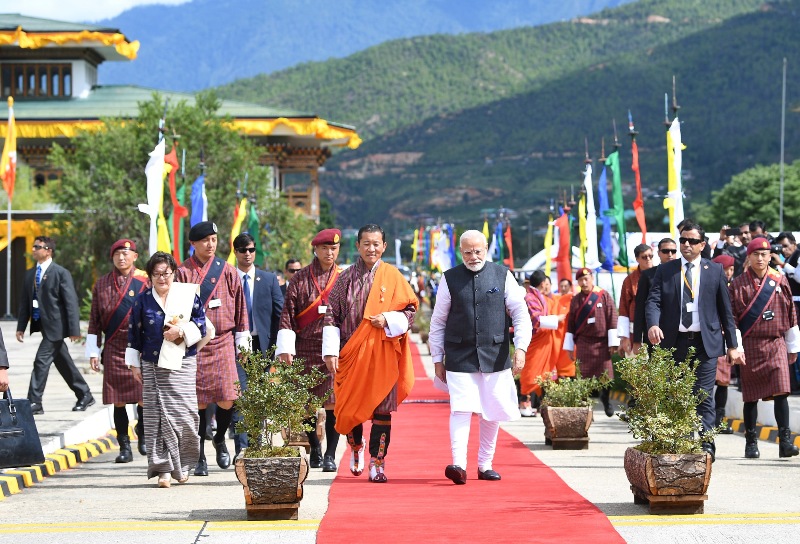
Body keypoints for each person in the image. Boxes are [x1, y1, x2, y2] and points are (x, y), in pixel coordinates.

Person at [428, 230, 531, 485]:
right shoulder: (449, 279)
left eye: (478, 251)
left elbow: (520, 314)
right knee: (461, 409)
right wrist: (437, 359)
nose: (473, 256)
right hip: (459, 355)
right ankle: (458, 464)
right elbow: (438, 322)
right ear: (460, 252)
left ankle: (485, 465)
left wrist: (520, 348)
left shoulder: (503, 275)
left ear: (486, 249)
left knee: (491, 411)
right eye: (467, 252)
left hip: (495, 354)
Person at [322, 224, 418, 483]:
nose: (371, 248)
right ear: (358, 246)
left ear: (384, 247)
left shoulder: (393, 276)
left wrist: (388, 319)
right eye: (366, 243)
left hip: (383, 353)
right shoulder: (345, 278)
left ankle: (378, 462)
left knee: (382, 411)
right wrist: (330, 352)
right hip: (351, 354)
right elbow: (332, 314)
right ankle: (356, 447)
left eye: (376, 244)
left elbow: (410, 310)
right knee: (350, 409)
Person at [646, 221, 744, 462]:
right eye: (682, 240)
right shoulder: (666, 270)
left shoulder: (715, 271)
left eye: (691, 241)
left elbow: (725, 311)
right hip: (674, 342)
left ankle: (706, 443)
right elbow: (653, 301)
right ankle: (679, 438)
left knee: (703, 396)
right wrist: (653, 324)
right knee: (675, 394)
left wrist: (733, 345)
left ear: (702, 244)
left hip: (704, 344)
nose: (686, 244)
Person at [175, 221, 250, 476]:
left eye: (214, 239)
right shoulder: (182, 273)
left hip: (224, 343)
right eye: (205, 240)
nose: (210, 244)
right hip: (194, 344)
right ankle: (199, 455)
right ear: (193, 244)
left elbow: (241, 307)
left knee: (228, 398)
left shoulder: (227, 271)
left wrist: (243, 339)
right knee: (197, 404)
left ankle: (219, 439)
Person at [126, 252, 207, 487]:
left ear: (174, 273)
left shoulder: (186, 296)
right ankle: (162, 469)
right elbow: (134, 333)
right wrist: (134, 364)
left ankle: (182, 466)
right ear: (150, 276)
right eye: (157, 274)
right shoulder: (142, 301)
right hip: (152, 364)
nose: (162, 278)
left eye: (167, 273)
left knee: (186, 416)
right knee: (156, 417)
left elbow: (201, 323)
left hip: (182, 362)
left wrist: (181, 332)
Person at [277, 229, 343, 471]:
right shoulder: (300, 278)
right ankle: (314, 446)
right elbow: (287, 313)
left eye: (334, 248)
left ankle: (330, 454)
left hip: (333, 351)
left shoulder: (343, 278)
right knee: (305, 405)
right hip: (304, 347)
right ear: (315, 250)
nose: (329, 252)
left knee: (333, 404)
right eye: (325, 248)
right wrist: (285, 347)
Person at [729, 238, 799, 459]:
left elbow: (791, 315)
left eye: (764, 254)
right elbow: (732, 319)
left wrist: (792, 345)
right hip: (750, 344)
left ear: (770, 256)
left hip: (776, 342)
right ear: (748, 257)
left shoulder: (780, 280)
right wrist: (735, 347)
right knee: (750, 396)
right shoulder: (738, 284)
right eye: (756, 254)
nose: (760, 258)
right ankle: (751, 442)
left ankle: (785, 442)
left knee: (781, 391)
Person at [86, 239, 149, 463]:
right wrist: (93, 352)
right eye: (117, 254)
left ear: (135, 256)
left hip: (138, 346)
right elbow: (94, 320)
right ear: (112, 257)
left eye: (126, 253)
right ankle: (124, 446)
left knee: (143, 397)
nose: (122, 258)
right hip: (113, 346)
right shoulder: (101, 284)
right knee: (118, 400)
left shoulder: (145, 281)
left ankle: (143, 435)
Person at [16, 236, 94, 415]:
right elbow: (24, 303)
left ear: (48, 250)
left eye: (38, 246)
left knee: (40, 361)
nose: (34, 249)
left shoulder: (60, 273)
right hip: (43, 326)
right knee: (63, 362)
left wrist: (74, 329)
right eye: (33, 246)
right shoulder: (30, 274)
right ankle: (84, 394)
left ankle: (34, 402)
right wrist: (21, 327)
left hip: (56, 328)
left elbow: (70, 302)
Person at [232, 232, 283, 457]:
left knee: (259, 395)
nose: (248, 254)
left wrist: (282, 344)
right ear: (235, 252)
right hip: (235, 345)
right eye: (243, 250)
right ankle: (242, 447)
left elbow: (280, 314)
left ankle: (257, 441)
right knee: (240, 395)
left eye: (251, 250)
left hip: (262, 345)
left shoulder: (269, 279)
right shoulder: (228, 278)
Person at [563, 267, 619, 417]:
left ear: (592, 278)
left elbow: (612, 318)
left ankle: (606, 400)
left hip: (602, 342)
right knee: (583, 377)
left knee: (607, 376)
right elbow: (571, 324)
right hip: (584, 343)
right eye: (581, 279)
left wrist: (613, 343)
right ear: (578, 282)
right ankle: (585, 409)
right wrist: (569, 347)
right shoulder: (576, 300)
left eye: (586, 278)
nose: (584, 282)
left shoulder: (603, 295)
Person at [519, 271, 560, 417]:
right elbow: (537, 320)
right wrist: (557, 319)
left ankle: (543, 405)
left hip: (543, 340)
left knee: (544, 374)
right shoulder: (530, 297)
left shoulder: (538, 296)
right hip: (535, 340)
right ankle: (524, 402)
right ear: (543, 283)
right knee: (530, 372)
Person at [632, 238, 678, 353]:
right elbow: (640, 308)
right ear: (658, 253)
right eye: (666, 251)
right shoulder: (648, 275)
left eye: (673, 251)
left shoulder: (683, 273)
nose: (670, 254)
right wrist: (637, 339)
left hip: (680, 334)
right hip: (656, 334)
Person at [711, 254, 736, 434]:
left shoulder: (732, 286)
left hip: (726, 337)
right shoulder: (708, 285)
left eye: (732, 269)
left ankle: (719, 420)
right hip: (710, 336)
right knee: (706, 381)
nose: (730, 272)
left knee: (724, 381)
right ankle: (705, 418)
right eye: (728, 269)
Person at [618, 244, 655, 356]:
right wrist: (624, 337)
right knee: (636, 370)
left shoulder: (660, 274)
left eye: (650, 256)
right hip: (635, 332)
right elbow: (623, 309)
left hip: (657, 330)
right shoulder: (630, 280)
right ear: (637, 259)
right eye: (644, 257)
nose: (648, 259)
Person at [776, 231, 800, 393]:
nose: (783, 250)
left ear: (794, 244)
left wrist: (784, 265)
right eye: (781, 247)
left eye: (786, 246)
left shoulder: (798, 255)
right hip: (789, 303)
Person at [553, 278, 575, 378]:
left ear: (570, 287)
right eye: (561, 286)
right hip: (557, 334)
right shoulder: (555, 299)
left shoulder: (574, 299)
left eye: (565, 286)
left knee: (569, 357)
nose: (563, 288)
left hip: (569, 333)